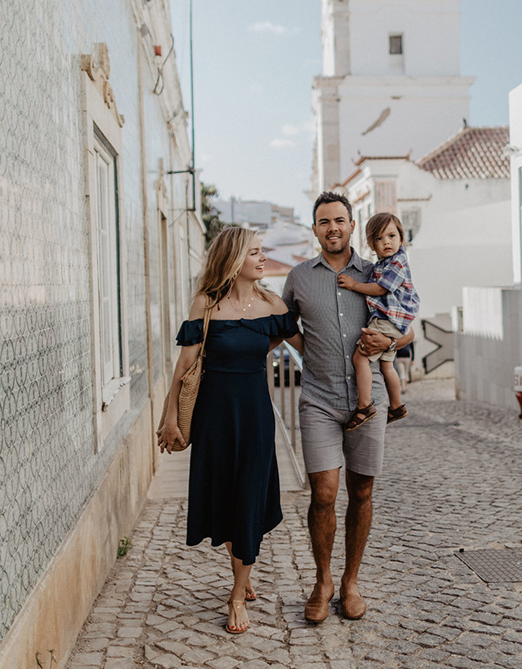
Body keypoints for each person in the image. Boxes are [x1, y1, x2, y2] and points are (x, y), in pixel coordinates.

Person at [157, 227, 298, 635]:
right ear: (234, 259)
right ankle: (242, 570)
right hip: (213, 417)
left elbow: (290, 343)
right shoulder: (205, 304)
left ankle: (237, 594)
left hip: (255, 416)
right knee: (226, 495)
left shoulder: (272, 303)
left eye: (262, 251)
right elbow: (183, 368)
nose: (261, 257)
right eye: (254, 252)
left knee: (249, 498)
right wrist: (170, 418)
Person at [283, 192, 414, 624]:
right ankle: (322, 581)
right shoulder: (299, 278)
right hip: (318, 400)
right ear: (315, 229)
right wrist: (309, 355)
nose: (332, 227)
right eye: (324, 222)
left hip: (370, 400)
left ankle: (351, 582)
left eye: (340, 220)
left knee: (362, 492)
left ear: (353, 225)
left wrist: (391, 343)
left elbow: (408, 330)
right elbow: (284, 327)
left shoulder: (380, 269)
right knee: (323, 494)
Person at [337, 212, 419, 430]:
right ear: (372, 245)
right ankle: (397, 405)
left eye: (392, 236)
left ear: (401, 237)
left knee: (360, 359)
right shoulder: (384, 263)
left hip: (386, 319)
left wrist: (354, 285)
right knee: (386, 365)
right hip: (395, 323)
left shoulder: (398, 262)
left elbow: (380, 288)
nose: (387, 243)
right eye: (379, 239)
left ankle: (364, 406)